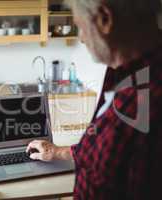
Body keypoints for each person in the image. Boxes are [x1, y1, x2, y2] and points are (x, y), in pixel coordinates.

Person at [27, 0, 162, 199]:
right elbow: (106, 156)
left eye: (80, 27)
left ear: (104, 19)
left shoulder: (149, 99)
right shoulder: (123, 75)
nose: (81, 39)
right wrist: (56, 152)